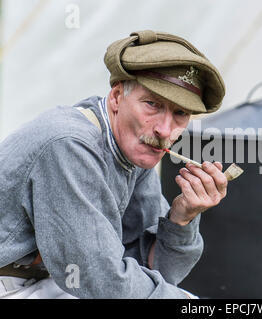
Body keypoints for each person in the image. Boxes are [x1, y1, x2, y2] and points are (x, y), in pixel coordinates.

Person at [0, 30, 227, 298]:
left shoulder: (134, 150)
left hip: (46, 283)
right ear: (117, 97)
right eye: (152, 104)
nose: (165, 130)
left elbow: (153, 271)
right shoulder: (70, 145)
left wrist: (181, 218)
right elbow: (101, 280)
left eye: (180, 113)